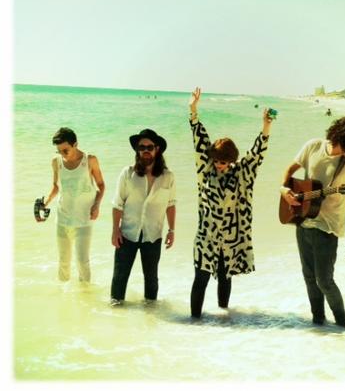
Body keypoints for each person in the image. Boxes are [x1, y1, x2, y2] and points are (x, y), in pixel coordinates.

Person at [188, 87, 274, 318]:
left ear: (231, 160)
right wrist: (193, 111)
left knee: (225, 278)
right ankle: (194, 321)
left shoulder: (241, 173)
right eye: (217, 161)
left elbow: (256, 155)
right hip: (206, 237)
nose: (219, 165)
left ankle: (223, 319)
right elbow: (199, 141)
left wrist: (266, 127)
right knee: (200, 279)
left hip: (230, 238)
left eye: (223, 162)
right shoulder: (205, 171)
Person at [281, 116, 345, 327]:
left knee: (324, 281)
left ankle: (342, 323)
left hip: (328, 227)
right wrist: (284, 190)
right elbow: (290, 170)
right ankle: (318, 322)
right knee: (309, 277)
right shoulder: (313, 146)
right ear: (339, 137)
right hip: (303, 220)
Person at [110, 129, 176, 305]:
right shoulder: (127, 173)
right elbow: (117, 204)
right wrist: (115, 230)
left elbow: (171, 205)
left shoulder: (168, 177)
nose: (145, 150)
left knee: (151, 279)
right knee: (119, 277)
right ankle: (115, 311)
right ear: (137, 150)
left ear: (157, 149)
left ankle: (151, 314)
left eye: (149, 147)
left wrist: (172, 230)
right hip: (127, 233)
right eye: (141, 147)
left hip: (153, 234)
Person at [43, 127, 105, 283]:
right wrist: (45, 202)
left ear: (75, 144)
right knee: (63, 262)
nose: (62, 154)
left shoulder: (89, 160)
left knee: (82, 262)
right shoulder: (56, 162)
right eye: (59, 151)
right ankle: (63, 295)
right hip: (62, 219)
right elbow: (56, 187)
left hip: (84, 221)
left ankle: (85, 295)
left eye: (66, 150)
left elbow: (101, 185)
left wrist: (97, 205)